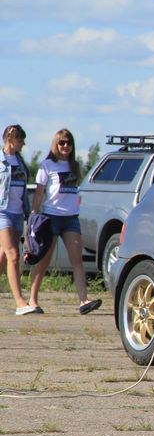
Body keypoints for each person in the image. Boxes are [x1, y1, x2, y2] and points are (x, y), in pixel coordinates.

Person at [27, 129, 101, 315]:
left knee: (77, 260)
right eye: (62, 142)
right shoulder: (47, 165)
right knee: (44, 260)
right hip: (51, 217)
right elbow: (39, 192)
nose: (65, 146)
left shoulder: (74, 165)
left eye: (68, 142)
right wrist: (33, 217)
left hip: (71, 218)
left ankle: (84, 300)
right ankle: (32, 300)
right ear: (56, 144)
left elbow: (75, 192)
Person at [0, 124, 37, 315]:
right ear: (10, 139)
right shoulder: (1, 161)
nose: (23, 143)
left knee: (4, 257)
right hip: (2, 212)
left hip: (17, 213)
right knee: (13, 255)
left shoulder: (20, 162)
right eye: (20, 139)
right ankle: (20, 302)